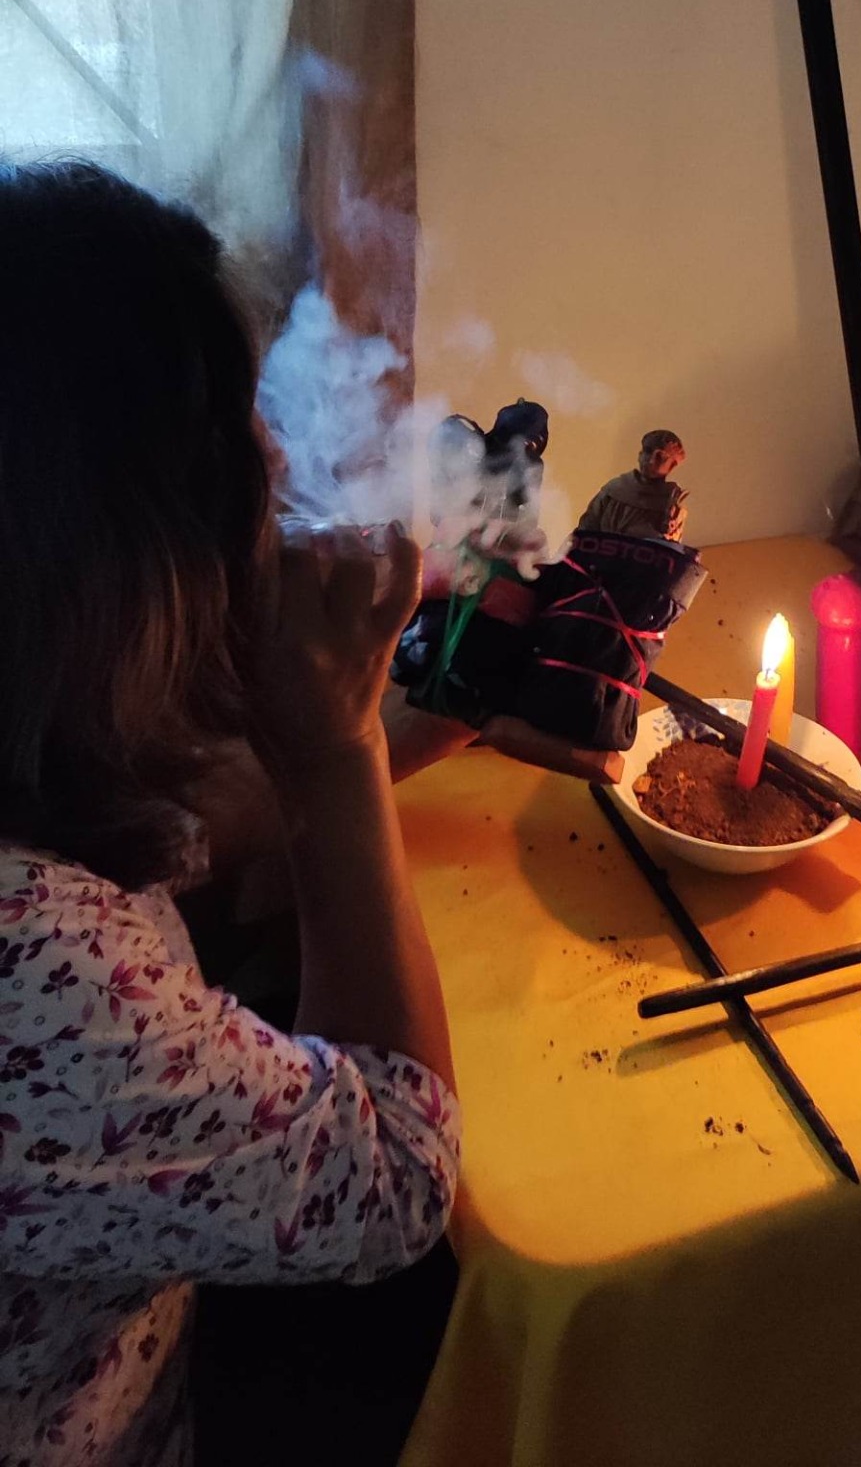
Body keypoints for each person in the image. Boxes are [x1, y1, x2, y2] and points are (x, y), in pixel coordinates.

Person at [0, 160, 461, 1465]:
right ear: (115, 538)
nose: (273, 464)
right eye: (239, 434)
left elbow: (160, 841)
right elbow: (395, 1176)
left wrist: (427, 714)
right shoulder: (39, 972)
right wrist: (338, 750)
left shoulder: (36, 767)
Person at [578, 430, 689, 543]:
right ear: (640, 454)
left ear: (672, 465)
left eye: (660, 457)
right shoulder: (614, 490)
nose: (651, 461)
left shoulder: (671, 503)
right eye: (648, 451)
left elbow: (668, 546)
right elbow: (586, 529)